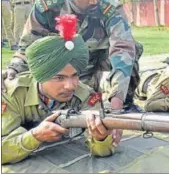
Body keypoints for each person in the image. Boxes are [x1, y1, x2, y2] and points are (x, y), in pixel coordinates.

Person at [3, 0, 140, 145]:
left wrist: (116, 105)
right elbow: (28, 46)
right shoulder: (47, 8)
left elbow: (122, 50)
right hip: (61, 73)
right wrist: (13, 70)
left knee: (133, 49)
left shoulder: (110, 8)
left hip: (98, 67)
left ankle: (125, 102)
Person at [1, 16, 114, 165]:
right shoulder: (12, 94)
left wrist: (101, 139)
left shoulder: (86, 96)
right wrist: (34, 136)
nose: (70, 86)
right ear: (39, 77)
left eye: (75, 75)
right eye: (59, 78)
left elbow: (101, 151)